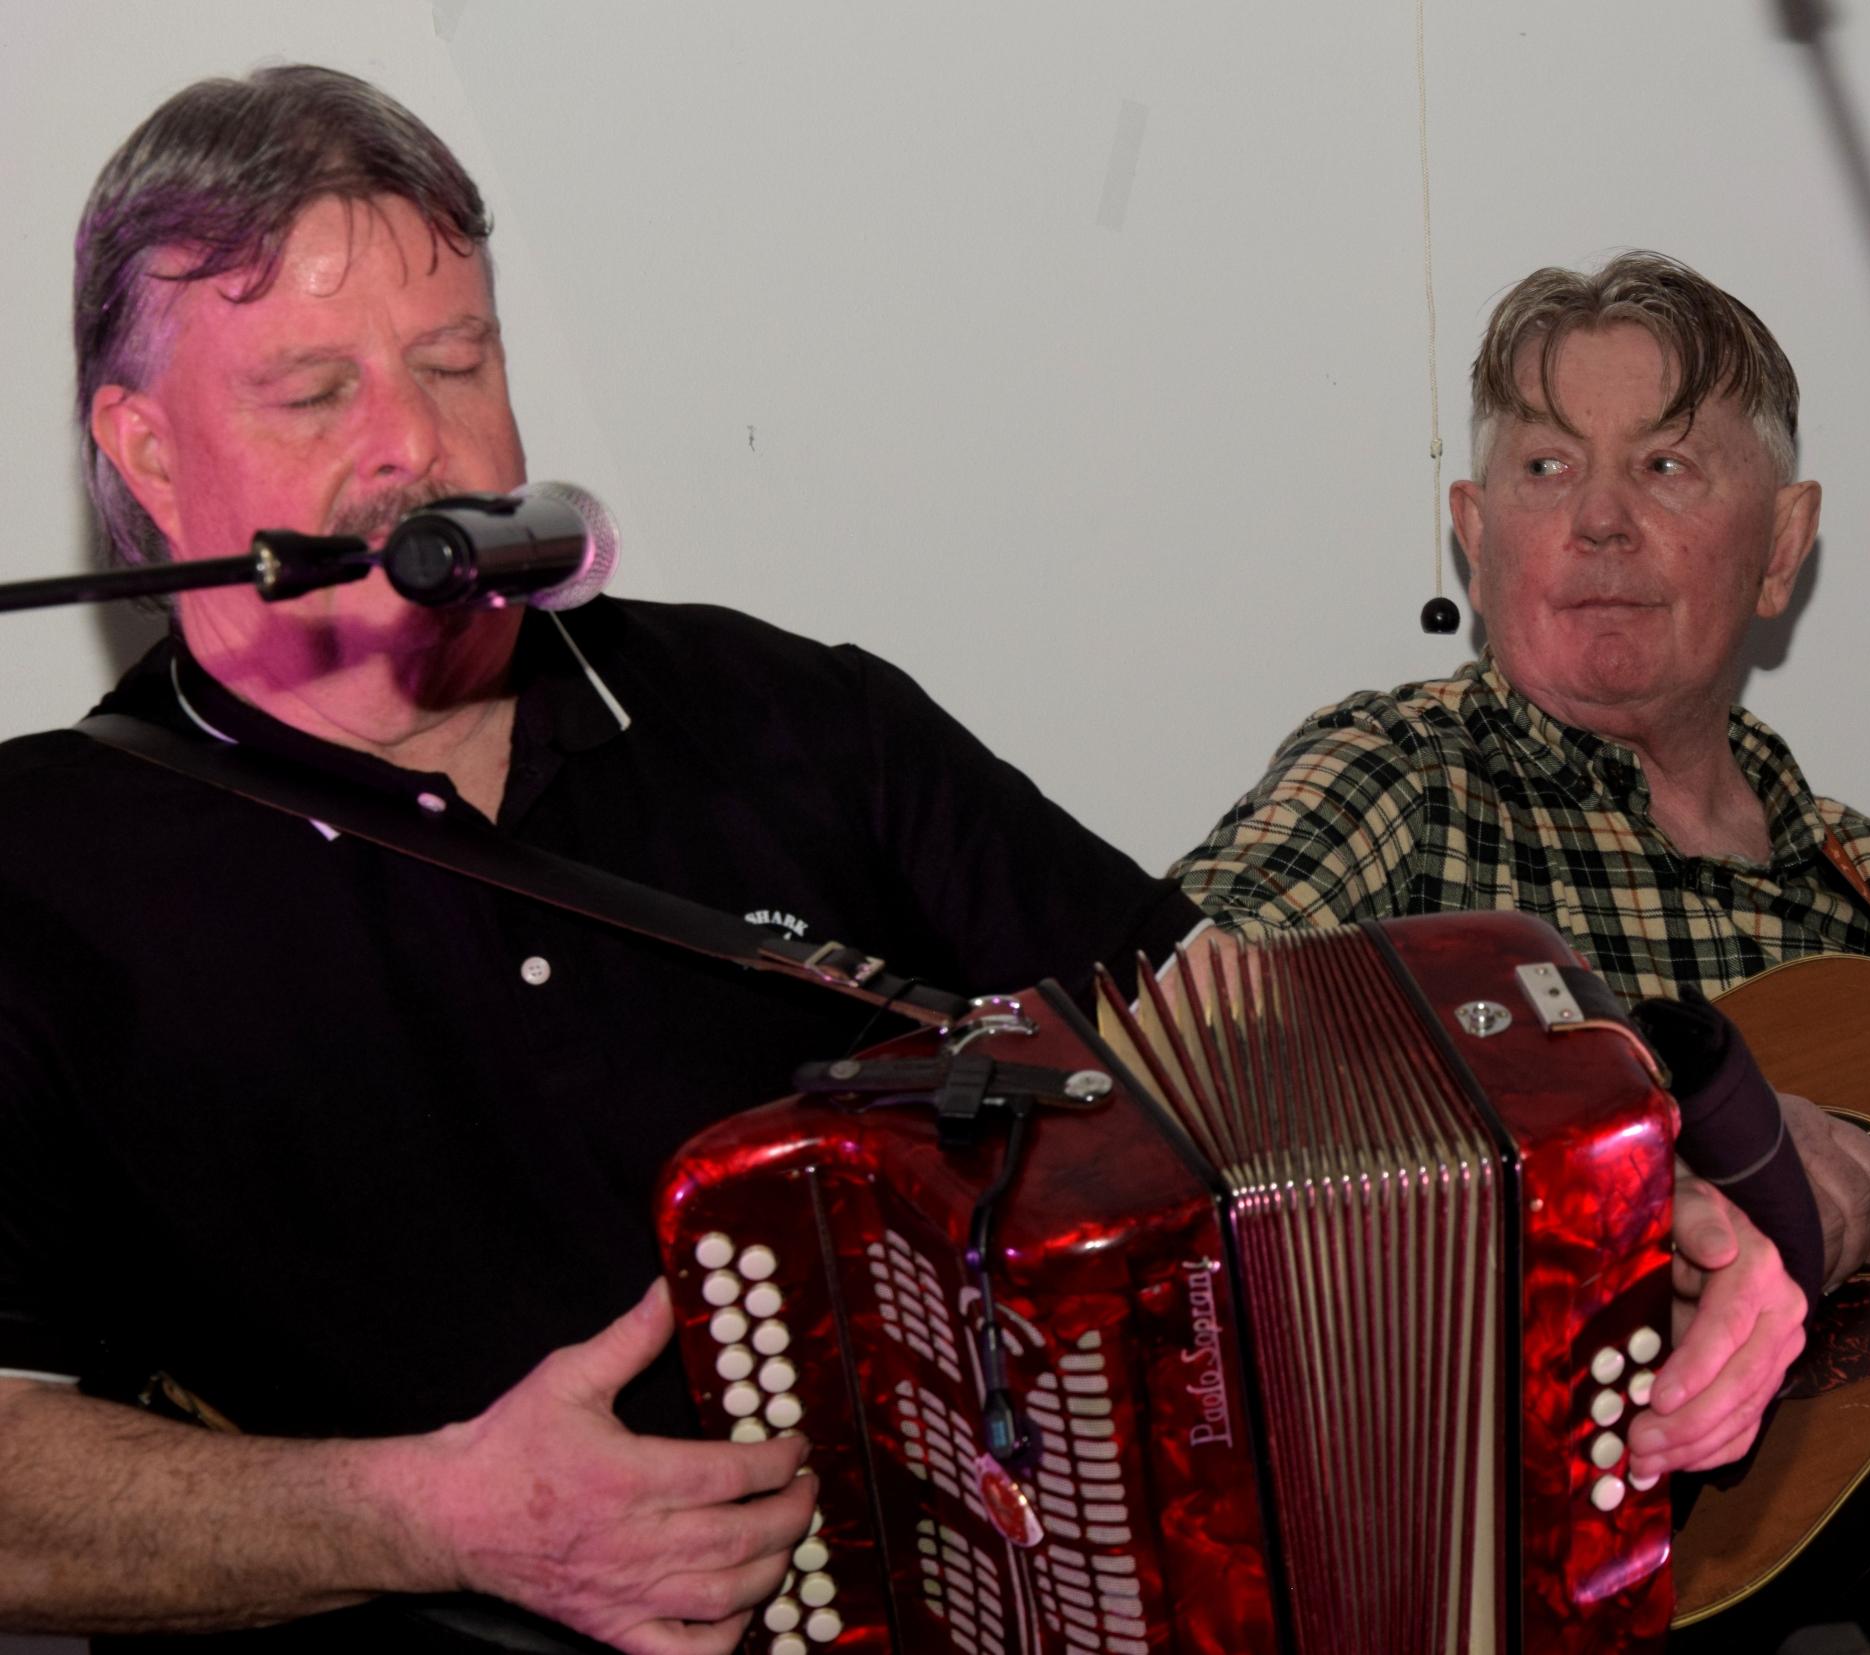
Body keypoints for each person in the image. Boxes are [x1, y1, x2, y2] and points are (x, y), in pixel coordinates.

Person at [0, 66, 1202, 1652]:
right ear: (149, 454)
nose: (417, 443)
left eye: (457, 360)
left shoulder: (791, 714)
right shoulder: (36, 865)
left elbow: (1208, 1051)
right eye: (313, 391)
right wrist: (433, 1516)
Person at [1178, 251, 1870, 1483]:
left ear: (1783, 545)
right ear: (1477, 537)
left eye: (1666, 464)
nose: (1601, 517)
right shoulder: (1408, 775)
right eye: (1547, 466)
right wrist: (1636, 1162)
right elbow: (1158, 1045)